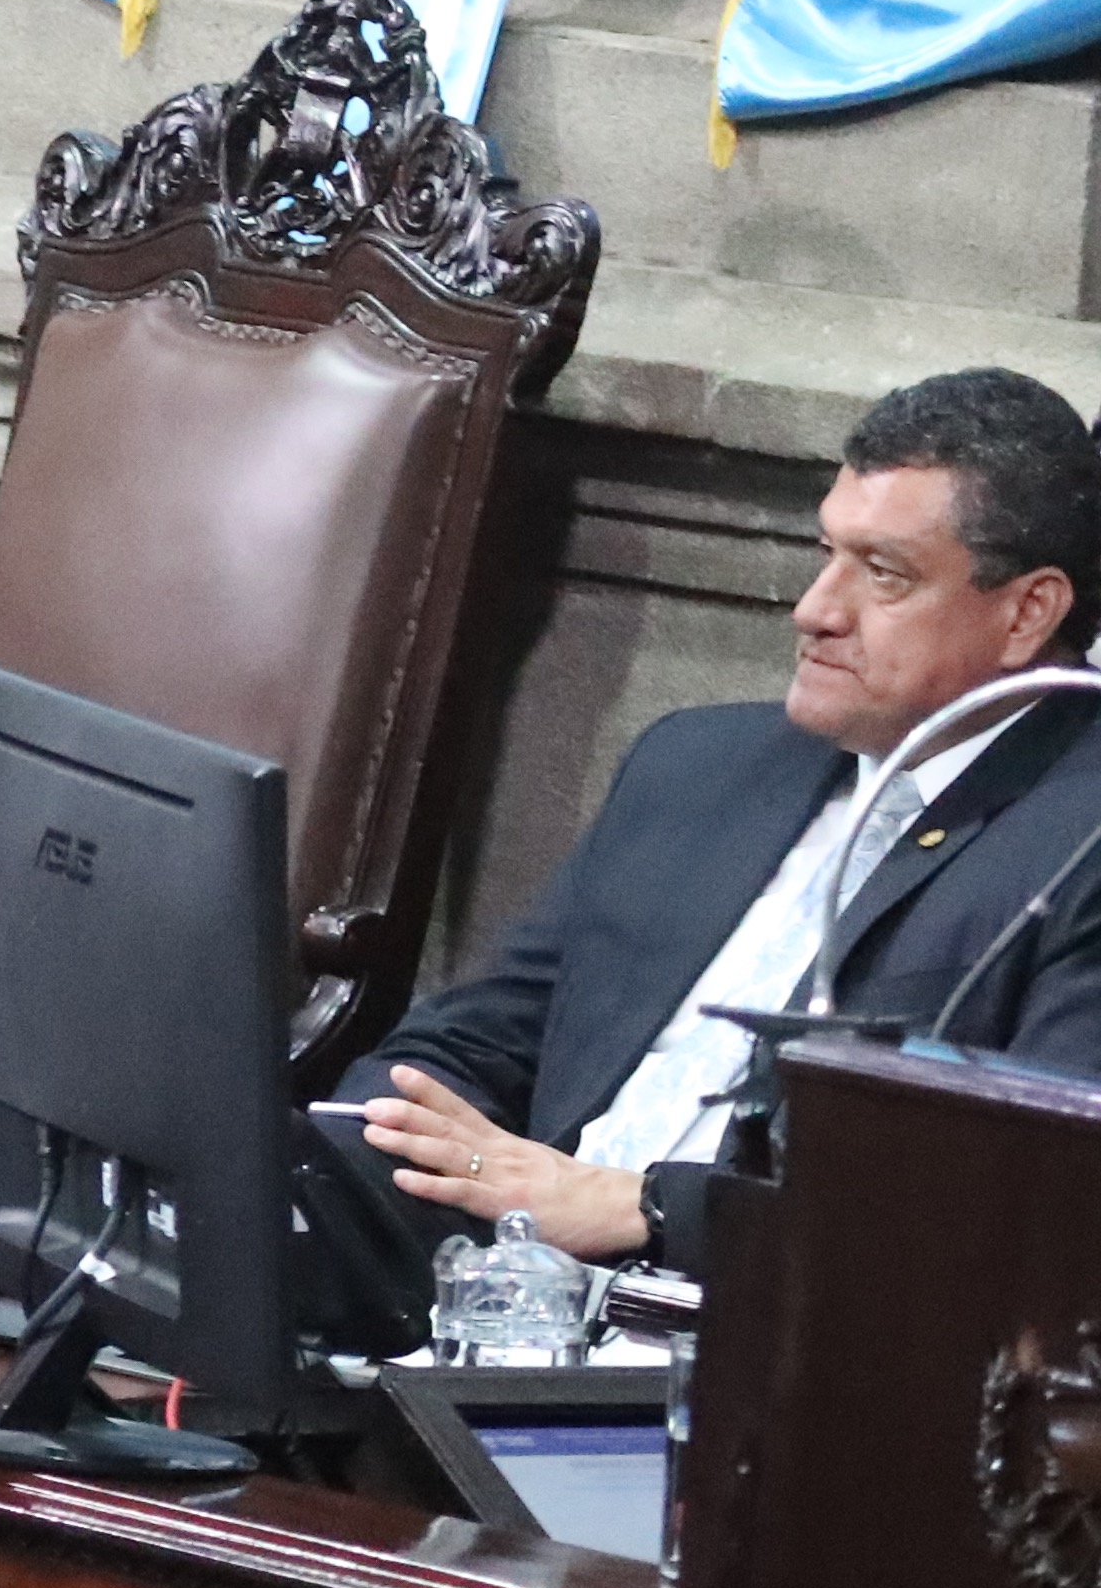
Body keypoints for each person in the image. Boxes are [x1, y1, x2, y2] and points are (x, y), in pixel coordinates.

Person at [352, 370, 1101, 1268]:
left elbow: (1031, 1203)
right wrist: (359, 1147)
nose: (816, 611)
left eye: (885, 575)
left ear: (1028, 611)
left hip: (757, 1347)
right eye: (826, 554)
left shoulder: (1075, 845)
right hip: (495, 1293)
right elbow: (471, 1045)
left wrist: (653, 1211)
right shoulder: (698, 765)